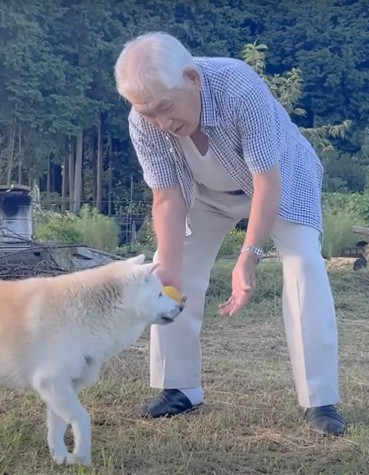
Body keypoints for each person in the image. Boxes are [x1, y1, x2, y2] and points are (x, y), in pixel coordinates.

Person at [113, 31, 346, 436]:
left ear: (192, 78)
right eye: (148, 113)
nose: (161, 123)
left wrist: (248, 256)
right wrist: (168, 268)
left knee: (305, 265)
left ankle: (320, 399)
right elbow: (167, 197)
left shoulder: (238, 86)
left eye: (165, 108)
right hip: (203, 193)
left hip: (282, 182)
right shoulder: (145, 118)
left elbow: (266, 183)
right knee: (168, 271)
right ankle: (179, 387)